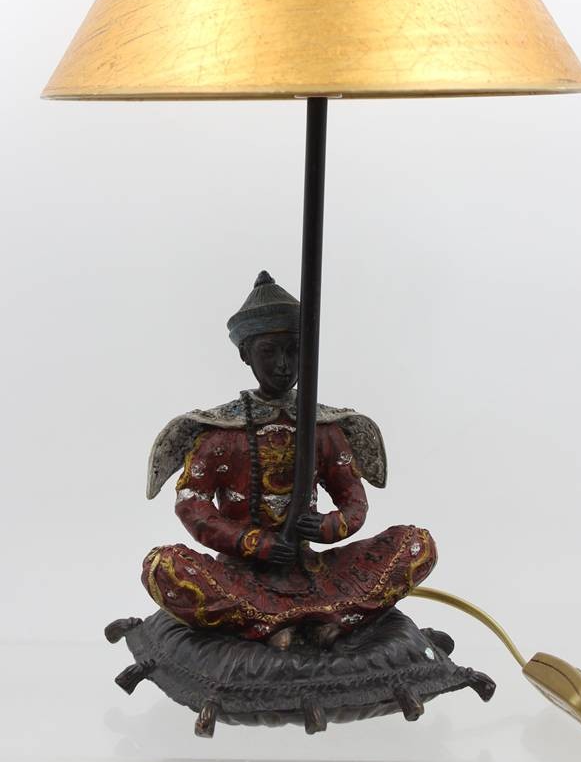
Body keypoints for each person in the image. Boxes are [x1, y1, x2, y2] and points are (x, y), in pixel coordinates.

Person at [142, 272, 437, 649]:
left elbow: (354, 499)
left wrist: (329, 525)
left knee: (417, 544)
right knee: (163, 566)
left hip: (313, 573)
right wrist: (252, 542)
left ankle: (292, 621)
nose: (283, 365)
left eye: (293, 351)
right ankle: (295, 620)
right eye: (269, 352)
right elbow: (192, 503)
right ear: (245, 354)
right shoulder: (221, 433)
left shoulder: (323, 428)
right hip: (241, 578)